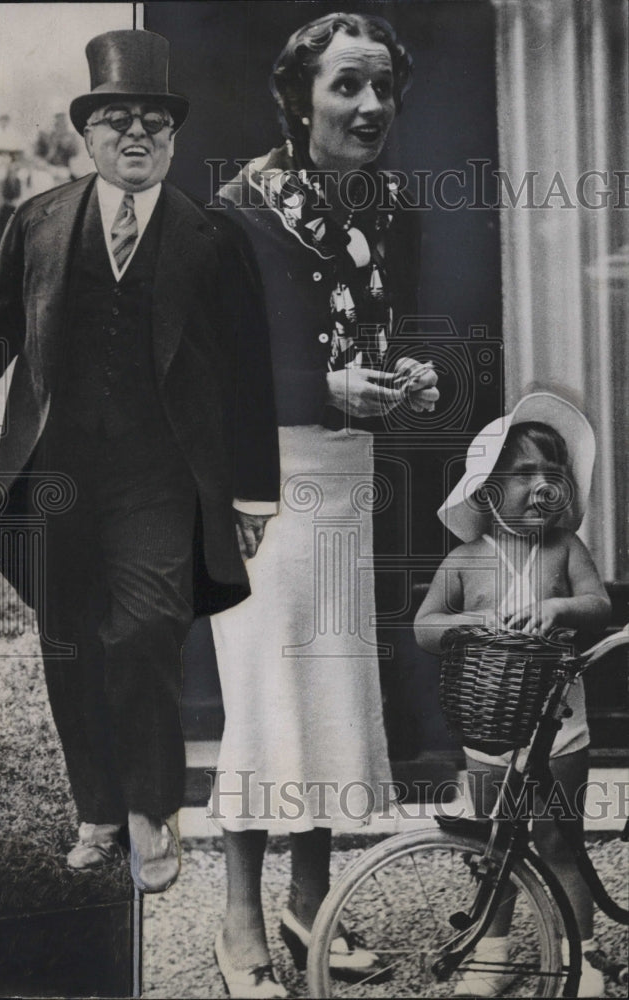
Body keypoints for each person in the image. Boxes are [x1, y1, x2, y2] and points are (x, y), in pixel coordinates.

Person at [0, 29, 279, 895]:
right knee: (71, 639)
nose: (136, 137)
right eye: (117, 120)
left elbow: (250, 372)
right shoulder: (39, 222)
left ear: (174, 138)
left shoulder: (212, 238)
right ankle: (95, 809)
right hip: (55, 470)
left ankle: (151, 806)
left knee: (149, 627)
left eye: (153, 122)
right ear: (86, 136)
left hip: (160, 480)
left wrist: (253, 496)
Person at [207, 13, 439, 997]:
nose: (370, 106)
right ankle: (238, 920)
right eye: (347, 86)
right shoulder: (240, 209)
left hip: (346, 478)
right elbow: (216, 373)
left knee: (337, 695)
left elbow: (369, 346)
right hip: (260, 482)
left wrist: (406, 379)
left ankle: (309, 905)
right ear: (299, 98)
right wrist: (323, 392)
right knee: (268, 697)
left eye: (382, 87)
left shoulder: (391, 206)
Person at [414, 392, 612, 998]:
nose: (541, 486)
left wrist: (558, 606)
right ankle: (492, 951)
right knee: (491, 840)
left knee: (558, 840)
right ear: (488, 488)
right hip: (488, 727)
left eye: (551, 474)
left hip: (558, 722)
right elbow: (425, 628)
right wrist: (471, 624)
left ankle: (585, 958)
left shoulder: (565, 551)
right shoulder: (466, 559)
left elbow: (599, 607)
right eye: (523, 474)